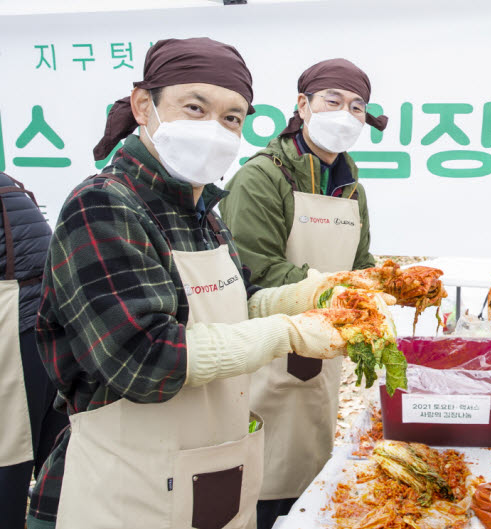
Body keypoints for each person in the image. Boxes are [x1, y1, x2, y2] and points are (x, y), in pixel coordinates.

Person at [26, 38, 368, 529]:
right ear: (144, 105)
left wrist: (304, 296)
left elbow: (237, 305)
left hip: (211, 473)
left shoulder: (203, 211)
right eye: (195, 108)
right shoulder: (104, 206)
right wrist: (289, 333)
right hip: (127, 489)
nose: (216, 128)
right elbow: (144, 359)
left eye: (232, 117)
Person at [220, 58, 388, 528]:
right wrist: (339, 292)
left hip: (323, 349)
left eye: (357, 107)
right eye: (333, 101)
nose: (346, 114)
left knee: (307, 471)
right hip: (267, 345)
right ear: (303, 104)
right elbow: (255, 268)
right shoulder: (263, 176)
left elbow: (360, 264)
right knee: (261, 477)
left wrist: (382, 287)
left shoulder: (350, 186)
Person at [0, 172, 68, 527]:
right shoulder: (9, 186)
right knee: (50, 450)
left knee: (11, 457)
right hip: (41, 319)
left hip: (18, 323)